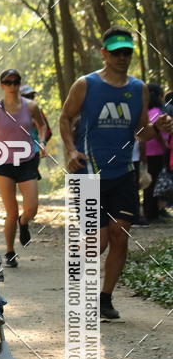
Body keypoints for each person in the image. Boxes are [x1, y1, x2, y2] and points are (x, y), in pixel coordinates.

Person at [60, 26, 173, 321]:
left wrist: (158, 127)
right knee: (99, 241)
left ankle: (104, 299)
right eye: (117, 52)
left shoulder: (138, 89)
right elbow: (65, 117)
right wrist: (71, 150)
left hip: (123, 171)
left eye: (127, 52)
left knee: (120, 235)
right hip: (88, 172)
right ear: (104, 53)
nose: (123, 57)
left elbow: (139, 131)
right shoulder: (85, 85)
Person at [0, 69, 47, 268]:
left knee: (31, 208)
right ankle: (10, 252)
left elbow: (42, 127)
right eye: (8, 82)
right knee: (11, 211)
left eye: (16, 82)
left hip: (27, 160)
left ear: (20, 84)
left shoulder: (31, 106)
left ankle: (24, 223)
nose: (13, 86)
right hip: (2, 163)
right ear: (2, 85)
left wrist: (41, 142)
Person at [143, 83, 171, 222]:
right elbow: (157, 130)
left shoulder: (146, 111)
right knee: (153, 183)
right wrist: (164, 144)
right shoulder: (156, 112)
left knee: (152, 182)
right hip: (155, 151)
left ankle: (155, 211)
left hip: (149, 151)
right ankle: (151, 213)